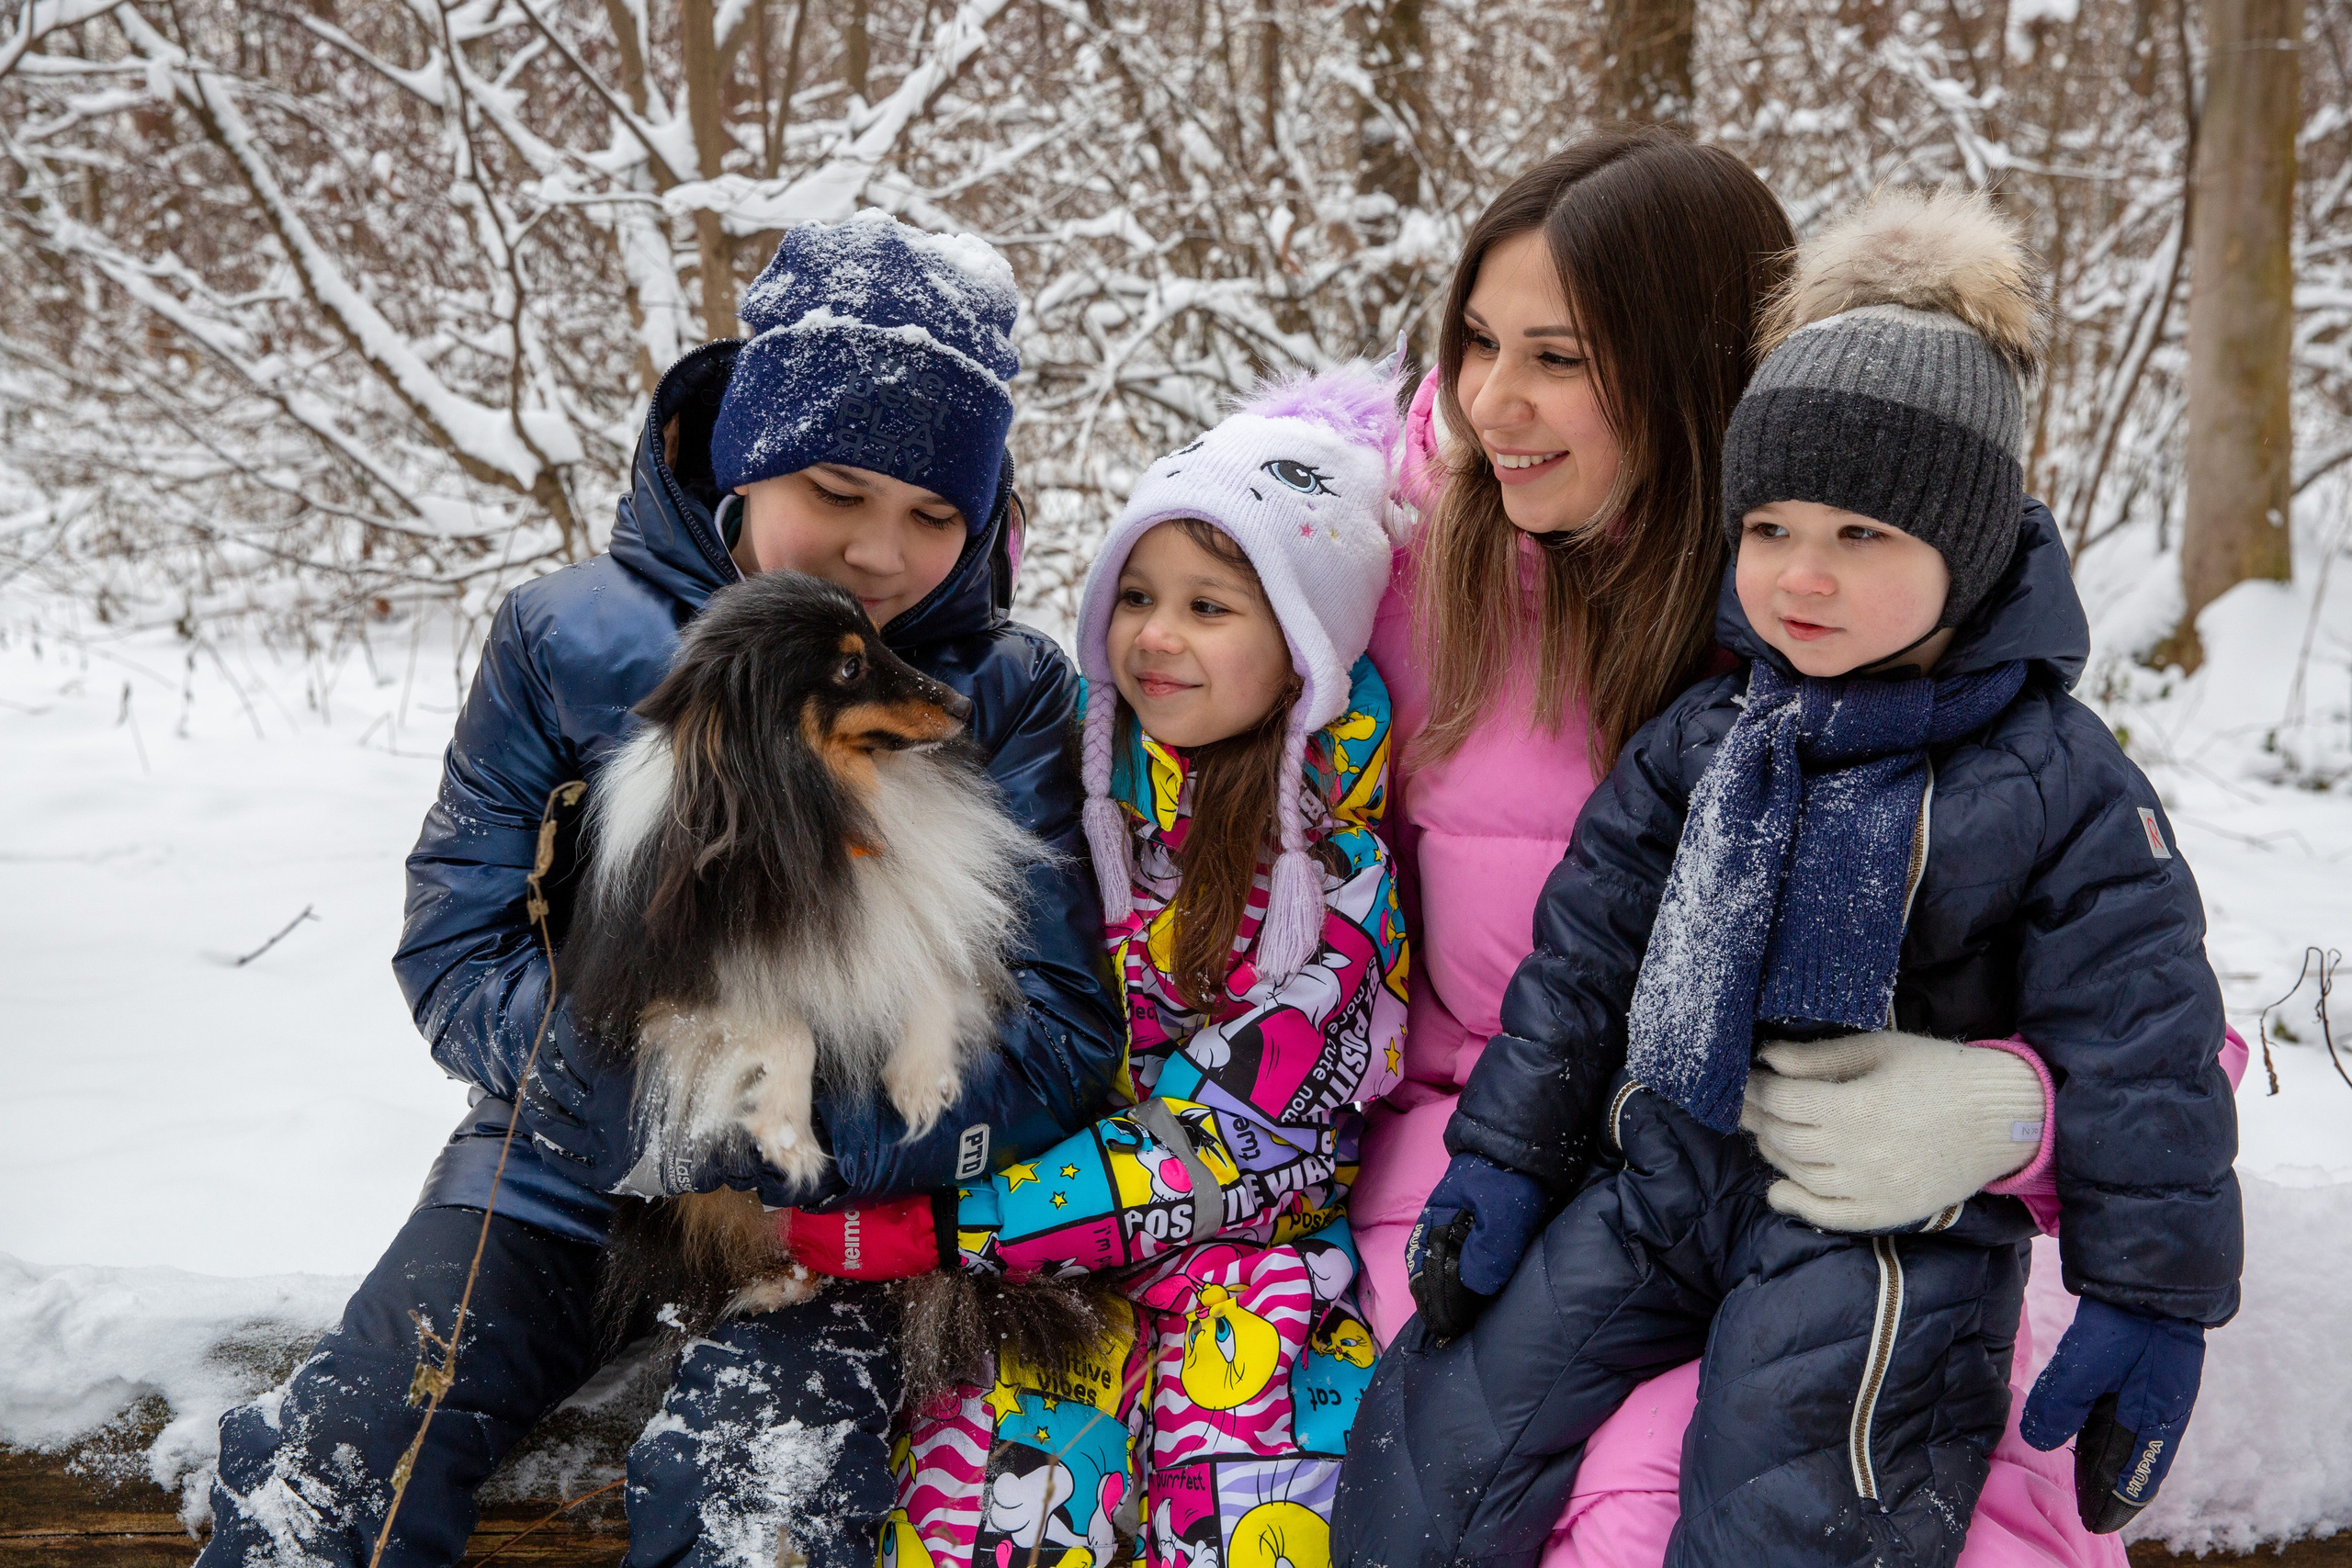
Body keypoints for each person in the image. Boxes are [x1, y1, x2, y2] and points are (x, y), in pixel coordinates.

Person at [195, 211, 1123, 1568]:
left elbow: (1060, 1029)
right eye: (841, 491)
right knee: (351, 1459)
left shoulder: (1002, 692)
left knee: (761, 1507)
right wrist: (646, 1095)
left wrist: (810, 1139)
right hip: (564, 1173)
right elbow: (456, 949)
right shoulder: (569, 641)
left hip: (841, 1199)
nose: (880, 553)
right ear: (747, 459)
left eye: (937, 515)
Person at [1332, 188, 2242, 1568]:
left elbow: (2152, 1035)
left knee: (1790, 1490)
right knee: (1439, 1438)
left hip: (1874, 1226)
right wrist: (1503, 1165)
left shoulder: (2051, 778)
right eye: (1773, 532)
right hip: (1657, 1175)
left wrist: (2123, 1258)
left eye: (1560, 355)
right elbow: (1580, 963)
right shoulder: (1697, 726)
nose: (1494, 400)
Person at [794, 364, 1410, 1568]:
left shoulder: (1340, 889)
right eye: (1135, 595)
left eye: (1211, 606)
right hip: (1042, 1292)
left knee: (1252, 1524)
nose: (1156, 637)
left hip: (1247, 1281)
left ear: (1305, 651)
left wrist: (946, 1225)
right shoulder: (1066, 799)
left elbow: (1219, 1149)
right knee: (970, 1523)